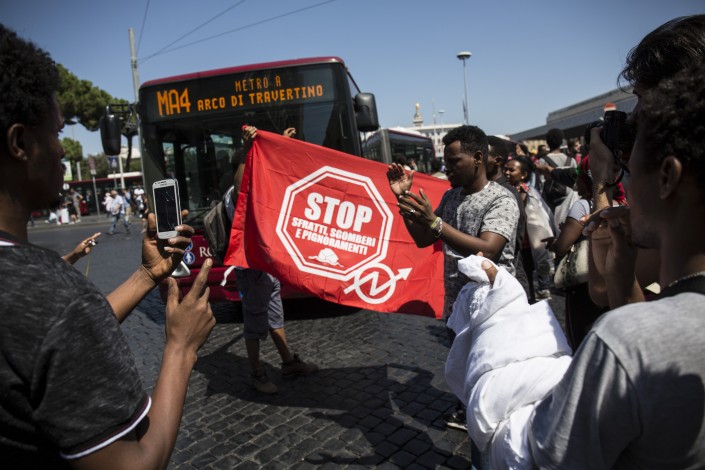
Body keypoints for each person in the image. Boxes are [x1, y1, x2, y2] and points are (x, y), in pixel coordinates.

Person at [0, 24, 215, 468]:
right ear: (21, 143)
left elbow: (40, 345)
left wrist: (145, 276)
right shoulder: (55, 297)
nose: (62, 150)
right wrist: (180, 348)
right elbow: (133, 464)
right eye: (56, 134)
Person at [387, 125, 519, 462]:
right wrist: (402, 198)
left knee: (491, 400)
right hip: (457, 313)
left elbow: (489, 249)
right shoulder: (451, 197)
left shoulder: (502, 199)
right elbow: (423, 239)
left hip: (493, 317)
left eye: (453, 160)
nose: (446, 167)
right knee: (470, 394)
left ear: (477, 158)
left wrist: (436, 225)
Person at [226, 125, 318, 394]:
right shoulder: (238, 194)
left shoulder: (260, 189)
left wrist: (283, 145)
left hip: (267, 266)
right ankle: (257, 373)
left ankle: (288, 362)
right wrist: (246, 152)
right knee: (254, 320)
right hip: (250, 268)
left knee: (275, 316)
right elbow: (241, 182)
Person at [504, 156, 556, 302]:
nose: (507, 172)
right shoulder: (504, 191)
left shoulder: (529, 193)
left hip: (528, 245)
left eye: (511, 170)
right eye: (505, 169)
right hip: (515, 245)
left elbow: (542, 218)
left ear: (523, 174)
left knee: (526, 278)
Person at [538, 128, 576, 213]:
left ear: (547, 143)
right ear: (561, 142)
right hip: (569, 199)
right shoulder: (571, 160)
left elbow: (541, 183)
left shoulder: (543, 161)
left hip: (550, 201)